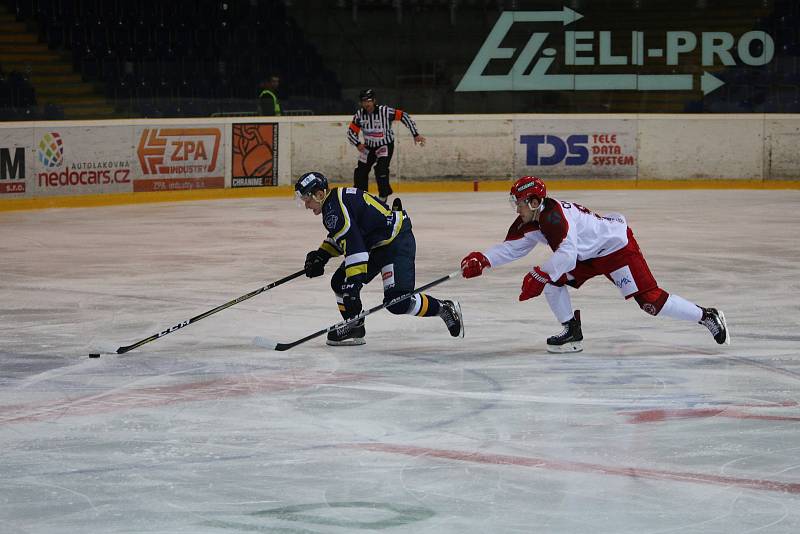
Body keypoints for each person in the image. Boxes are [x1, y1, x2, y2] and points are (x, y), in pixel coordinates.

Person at [460, 176, 730, 353]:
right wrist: (483, 260)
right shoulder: (530, 220)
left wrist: (539, 274)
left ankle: (707, 316)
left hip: (616, 249)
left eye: (518, 203)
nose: (515, 208)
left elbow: (565, 254)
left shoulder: (554, 219)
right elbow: (513, 247)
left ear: (533, 202)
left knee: (650, 302)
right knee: (554, 283)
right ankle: (571, 331)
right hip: (586, 256)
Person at [296, 171, 463, 346]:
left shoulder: (333, 210)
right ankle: (354, 326)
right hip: (377, 243)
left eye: (307, 200)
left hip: (396, 241)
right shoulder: (334, 203)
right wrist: (322, 255)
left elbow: (354, 246)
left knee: (397, 302)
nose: (307, 206)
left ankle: (443, 308)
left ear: (319, 194)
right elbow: (349, 237)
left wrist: (354, 282)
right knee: (340, 282)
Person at [346, 89, 426, 203]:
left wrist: (415, 134)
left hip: (384, 145)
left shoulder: (384, 111)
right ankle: (361, 196)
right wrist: (357, 143)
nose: (367, 104)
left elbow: (404, 116)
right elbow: (351, 132)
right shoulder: (359, 115)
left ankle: (383, 196)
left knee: (381, 169)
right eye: (364, 101)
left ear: (374, 101)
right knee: (360, 171)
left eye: (369, 100)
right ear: (360, 103)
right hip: (368, 147)